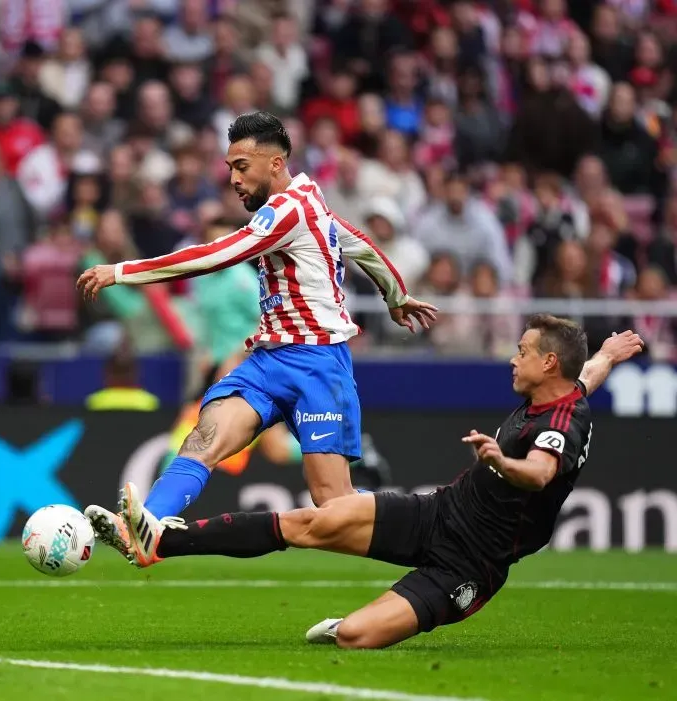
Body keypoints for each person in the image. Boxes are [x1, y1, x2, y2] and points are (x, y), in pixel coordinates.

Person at [113, 319, 644, 649]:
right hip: (439, 513)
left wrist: (499, 460)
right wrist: (609, 355)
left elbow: (541, 472)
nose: (513, 357)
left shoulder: (561, 425)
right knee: (311, 521)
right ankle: (162, 540)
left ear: (547, 362)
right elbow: (586, 376)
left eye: (523, 351)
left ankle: (354, 625)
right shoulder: (565, 390)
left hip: (473, 564)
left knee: (354, 638)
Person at [78, 112, 437, 557]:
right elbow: (358, 243)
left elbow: (219, 254)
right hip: (268, 361)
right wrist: (396, 295)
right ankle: (146, 530)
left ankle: (429, 524)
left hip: (318, 364)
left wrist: (121, 271)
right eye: (229, 167)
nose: (232, 178)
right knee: (203, 438)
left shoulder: (289, 211)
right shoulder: (308, 202)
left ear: (275, 163)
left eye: (241, 167)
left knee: (334, 505)